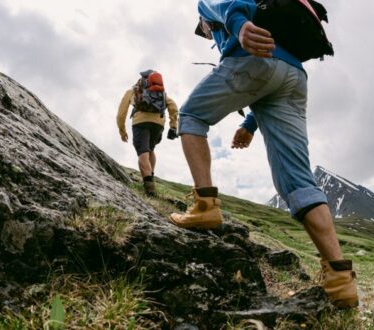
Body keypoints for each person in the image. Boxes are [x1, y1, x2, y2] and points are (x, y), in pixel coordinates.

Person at [169, 0, 358, 308]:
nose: (207, 36)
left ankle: (204, 205)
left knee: (190, 117)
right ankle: (340, 281)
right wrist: (249, 125)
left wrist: (240, 27)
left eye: (205, 34)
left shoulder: (205, 12)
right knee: (298, 180)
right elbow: (271, 82)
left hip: (254, 59)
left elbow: (222, 3)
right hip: (294, 76)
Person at [116, 70, 179, 197]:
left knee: (143, 154)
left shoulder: (132, 91)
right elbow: (173, 106)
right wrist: (173, 126)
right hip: (158, 124)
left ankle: (150, 189)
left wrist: (122, 130)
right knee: (150, 150)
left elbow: (121, 113)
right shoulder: (161, 93)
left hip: (140, 123)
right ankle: (150, 176)